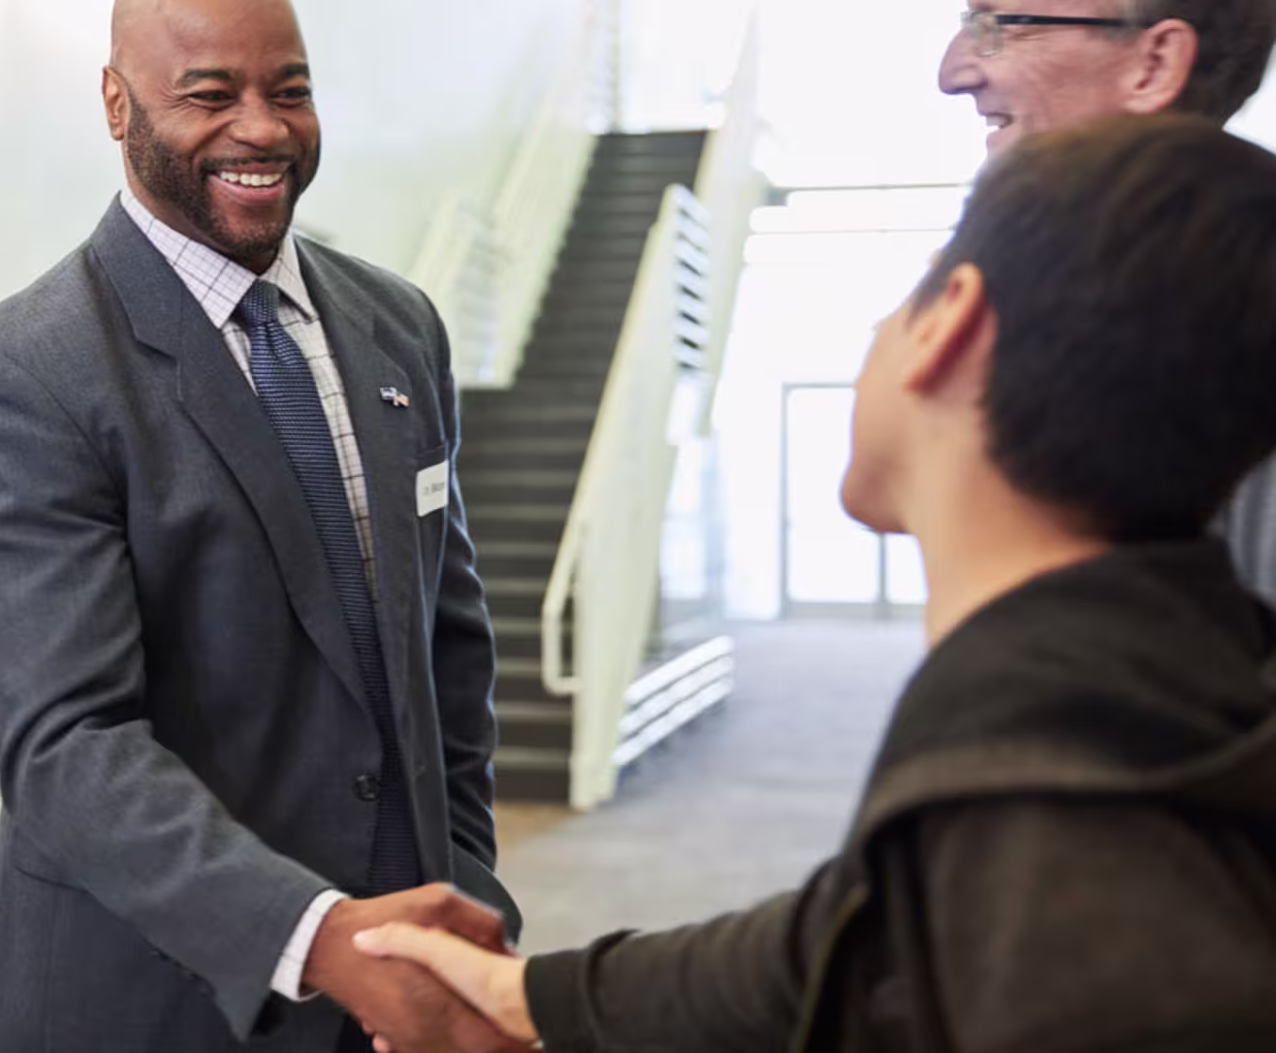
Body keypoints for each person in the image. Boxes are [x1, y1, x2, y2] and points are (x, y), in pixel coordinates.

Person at [352, 114, 1276, 1050]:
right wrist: (534, 1002)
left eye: (903, 296)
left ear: (949, 322)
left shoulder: (1052, 827)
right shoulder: (1142, 694)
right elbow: (843, 942)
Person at [0, 0, 526, 1053]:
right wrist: (316, 934)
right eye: (209, 94)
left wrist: (463, 881)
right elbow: (69, 743)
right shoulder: (28, 371)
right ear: (117, 102)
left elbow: (450, 643)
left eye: (288, 89)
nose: (260, 128)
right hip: (158, 999)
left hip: (397, 977)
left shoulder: (401, 327)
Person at [934, 0, 1276, 599]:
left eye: (1001, 27)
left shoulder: (1239, 331)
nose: (954, 72)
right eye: (967, 27)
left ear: (1153, 64)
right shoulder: (1083, 309)